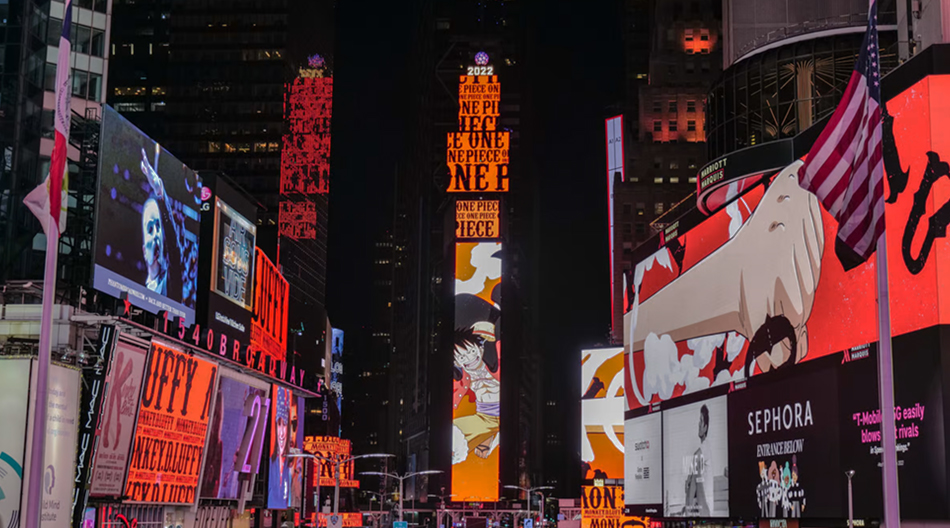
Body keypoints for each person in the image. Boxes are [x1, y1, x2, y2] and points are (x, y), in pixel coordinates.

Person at [452, 322, 500, 463]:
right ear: (456, 362)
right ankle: (488, 439)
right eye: (461, 357)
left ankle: (489, 440)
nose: (469, 358)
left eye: (471, 351)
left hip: (506, 414)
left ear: (480, 349)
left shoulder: (494, 363)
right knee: (452, 431)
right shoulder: (463, 378)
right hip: (484, 418)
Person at [681, 405, 710, 516]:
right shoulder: (704, 447)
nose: (699, 424)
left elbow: (695, 456)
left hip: (704, 506)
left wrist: (689, 479)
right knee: (692, 478)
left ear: (705, 427)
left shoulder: (706, 446)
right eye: (699, 420)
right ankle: (687, 513)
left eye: (701, 421)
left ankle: (687, 513)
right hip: (699, 502)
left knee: (692, 479)